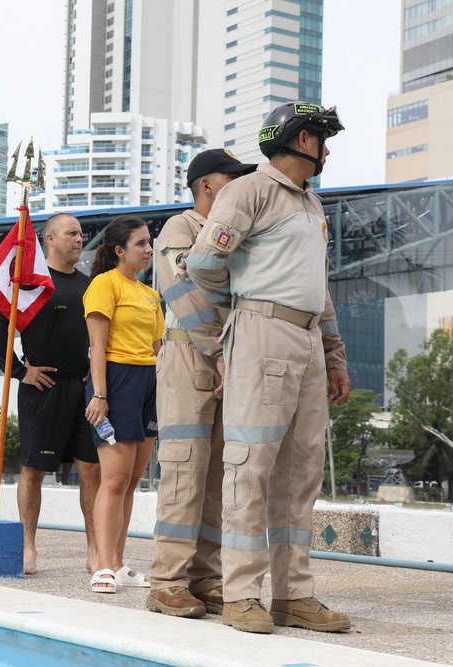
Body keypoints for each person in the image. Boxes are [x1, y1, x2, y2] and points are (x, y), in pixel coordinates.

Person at [186, 102, 351, 634]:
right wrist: (246, 309)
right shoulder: (248, 191)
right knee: (250, 466)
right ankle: (240, 594)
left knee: (301, 473)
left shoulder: (312, 205)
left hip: (305, 338)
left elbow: (319, 290)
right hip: (263, 334)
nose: (328, 148)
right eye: (324, 138)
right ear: (303, 139)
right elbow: (204, 264)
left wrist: (333, 355)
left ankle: (293, 595)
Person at [146, 149, 256, 618]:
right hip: (192, 354)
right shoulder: (182, 227)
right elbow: (182, 293)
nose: (241, 187)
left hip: (228, 359)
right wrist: (220, 352)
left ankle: (205, 576)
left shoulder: (236, 237)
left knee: (216, 476)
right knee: (185, 468)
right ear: (208, 185)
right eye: (233, 179)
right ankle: (166, 580)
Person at [0, 213, 100, 576]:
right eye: (71, 233)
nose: (79, 240)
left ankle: (95, 550)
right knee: (34, 471)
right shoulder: (33, 283)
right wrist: (20, 371)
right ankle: (29, 547)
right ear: (49, 239)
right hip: (42, 388)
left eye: (81, 234)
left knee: (91, 470)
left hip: (81, 388)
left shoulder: (89, 285)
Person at [83, 216, 164, 593]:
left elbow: (156, 349)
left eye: (150, 243)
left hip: (147, 384)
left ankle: (117, 563)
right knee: (113, 480)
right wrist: (100, 395)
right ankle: (101, 565)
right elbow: (96, 345)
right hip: (116, 382)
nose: (149, 249)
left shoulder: (150, 294)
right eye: (141, 243)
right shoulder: (104, 284)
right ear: (120, 250)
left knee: (131, 482)